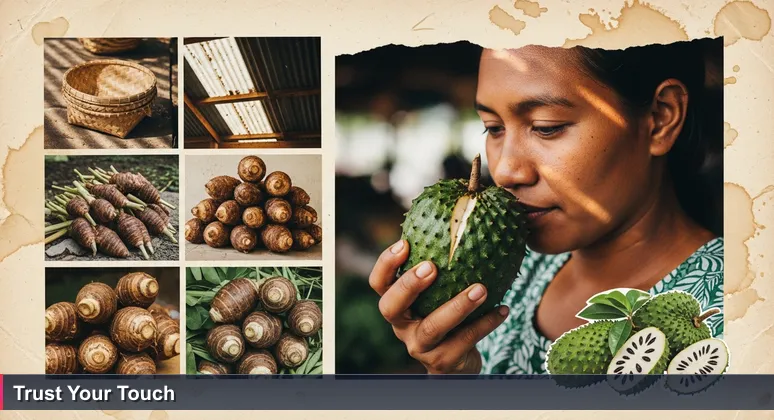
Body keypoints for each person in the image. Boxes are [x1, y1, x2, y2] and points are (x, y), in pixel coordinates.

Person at [368, 40, 724, 374]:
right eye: (493, 129)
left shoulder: (738, 313)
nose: (505, 171)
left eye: (546, 127)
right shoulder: (501, 276)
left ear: (661, 118)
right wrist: (453, 377)